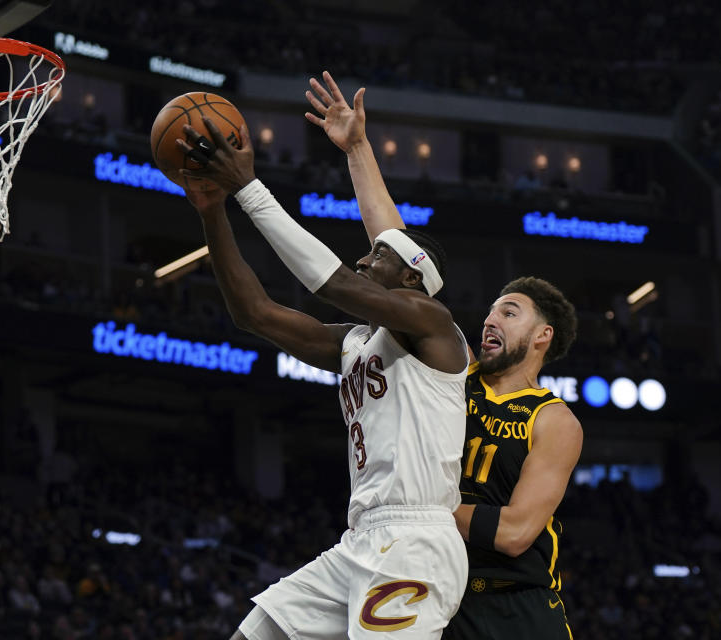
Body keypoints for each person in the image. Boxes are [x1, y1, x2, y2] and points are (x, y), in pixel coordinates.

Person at [306, 70, 584, 640]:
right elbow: (397, 249)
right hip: (440, 583)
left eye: (510, 312)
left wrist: (415, 505)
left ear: (543, 337)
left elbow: (514, 533)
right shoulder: (452, 375)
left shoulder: (554, 420)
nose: (489, 318)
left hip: (518, 604)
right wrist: (358, 148)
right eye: (490, 309)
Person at [175, 116, 470, 639]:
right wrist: (212, 211)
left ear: (411, 281)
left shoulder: (435, 326)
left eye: (378, 254)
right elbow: (255, 315)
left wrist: (248, 188)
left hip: (416, 542)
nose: (363, 257)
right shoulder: (355, 342)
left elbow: (331, 284)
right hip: (360, 540)